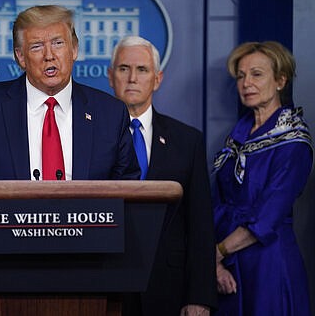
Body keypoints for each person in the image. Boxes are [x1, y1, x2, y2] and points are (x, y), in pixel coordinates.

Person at [0, 5, 140, 181]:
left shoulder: (110, 114)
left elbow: (130, 196)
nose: (49, 55)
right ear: (21, 57)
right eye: (37, 46)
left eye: (58, 43)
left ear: (74, 50)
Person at [108, 36, 218, 315]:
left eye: (142, 70)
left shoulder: (187, 140)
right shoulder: (85, 138)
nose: (132, 78)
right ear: (110, 77)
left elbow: (200, 223)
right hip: (106, 286)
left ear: (157, 79)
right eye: (123, 69)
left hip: (169, 287)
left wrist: (200, 296)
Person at [212, 41, 313, 315]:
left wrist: (217, 252)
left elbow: (268, 216)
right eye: (241, 76)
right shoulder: (237, 136)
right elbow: (217, 203)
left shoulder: (294, 142)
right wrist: (216, 264)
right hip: (228, 267)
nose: (246, 83)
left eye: (256, 74)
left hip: (268, 263)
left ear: (280, 80)